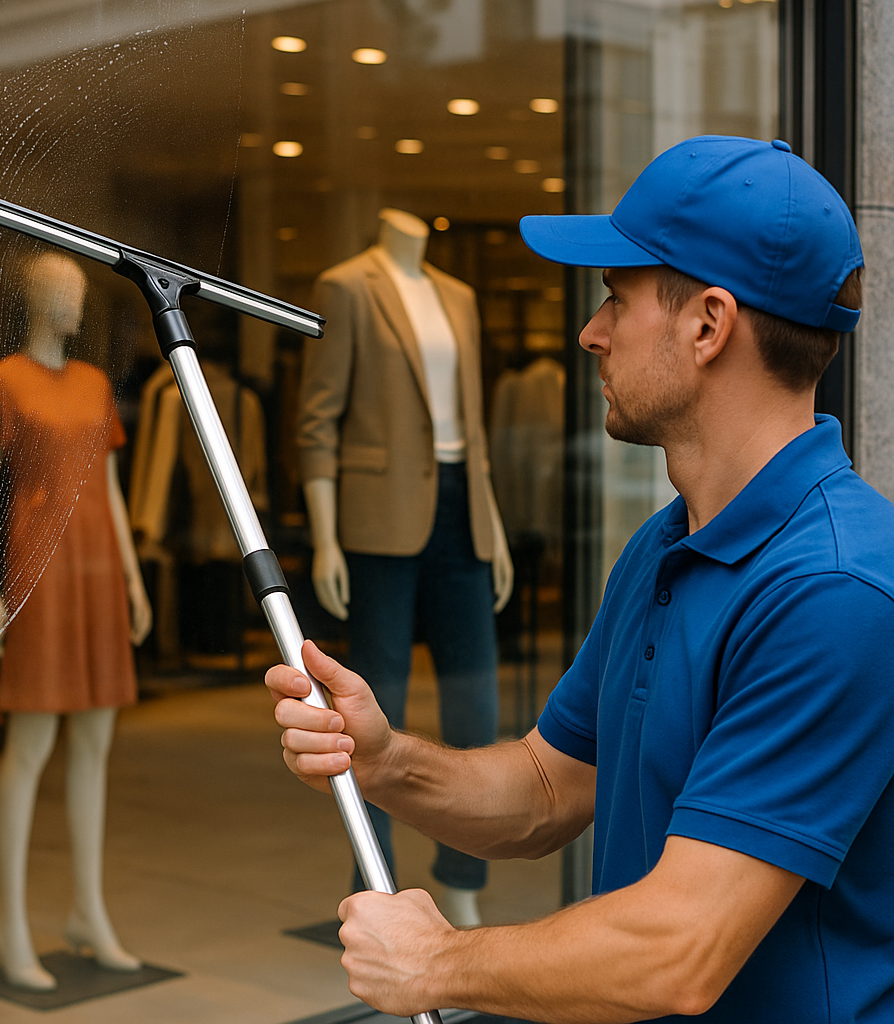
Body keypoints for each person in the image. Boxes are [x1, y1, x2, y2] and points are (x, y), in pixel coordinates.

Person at [265, 136, 894, 1023]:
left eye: (615, 297)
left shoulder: (836, 591)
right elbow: (550, 786)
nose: (588, 332)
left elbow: (682, 949)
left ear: (709, 324)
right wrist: (386, 760)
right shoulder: (666, 546)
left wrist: (440, 962)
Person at [299, 208, 513, 925]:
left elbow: (473, 427)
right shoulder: (347, 287)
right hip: (378, 516)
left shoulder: (459, 296)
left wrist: (493, 527)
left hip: (461, 508)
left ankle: (463, 879)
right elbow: (319, 419)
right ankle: (375, 879)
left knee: (475, 705)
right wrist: (326, 538)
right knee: (372, 708)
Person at [0, 251, 152, 991]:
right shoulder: (3, 379)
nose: (79, 307)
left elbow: (106, 489)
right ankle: (10, 923)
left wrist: (134, 577)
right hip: (38, 572)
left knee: (95, 745)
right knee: (31, 744)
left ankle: (88, 911)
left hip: (99, 569)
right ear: (41, 300)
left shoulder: (96, 384)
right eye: (68, 294)